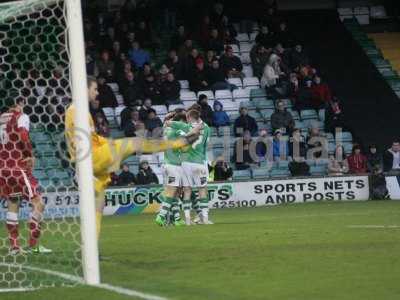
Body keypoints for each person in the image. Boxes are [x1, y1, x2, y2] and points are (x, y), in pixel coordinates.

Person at [65, 76, 202, 240]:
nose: (97, 92)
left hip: (92, 160)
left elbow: (88, 138)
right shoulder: (76, 111)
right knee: (137, 143)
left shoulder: (79, 110)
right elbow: (78, 142)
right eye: (94, 89)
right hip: (92, 158)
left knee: (98, 206)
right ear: (83, 88)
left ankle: (91, 249)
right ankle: (182, 142)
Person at [0, 98, 52, 254]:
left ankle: (14, 247)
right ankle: (33, 245)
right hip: (18, 166)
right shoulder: (21, 116)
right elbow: (23, 134)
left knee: (13, 203)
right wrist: (30, 155)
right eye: (22, 103)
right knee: (39, 203)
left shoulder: (1, 118)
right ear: (18, 104)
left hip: (3, 168)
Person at [155, 110, 188, 227]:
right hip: (174, 164)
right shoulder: (177, 130)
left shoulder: (167, 130)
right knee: (172, 191)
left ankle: (177, 218)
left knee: (174, 193)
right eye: (184, 122)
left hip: (167, 163)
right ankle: (161, 216)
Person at [181, 109, 211, 225]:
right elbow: (206, 146)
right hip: (199, 162)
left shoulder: (185, 127)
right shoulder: (207, 128)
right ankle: (205, 219)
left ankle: (188, 220)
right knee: (202, 190)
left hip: (186, 162)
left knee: (187, 190)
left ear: (189, 117)